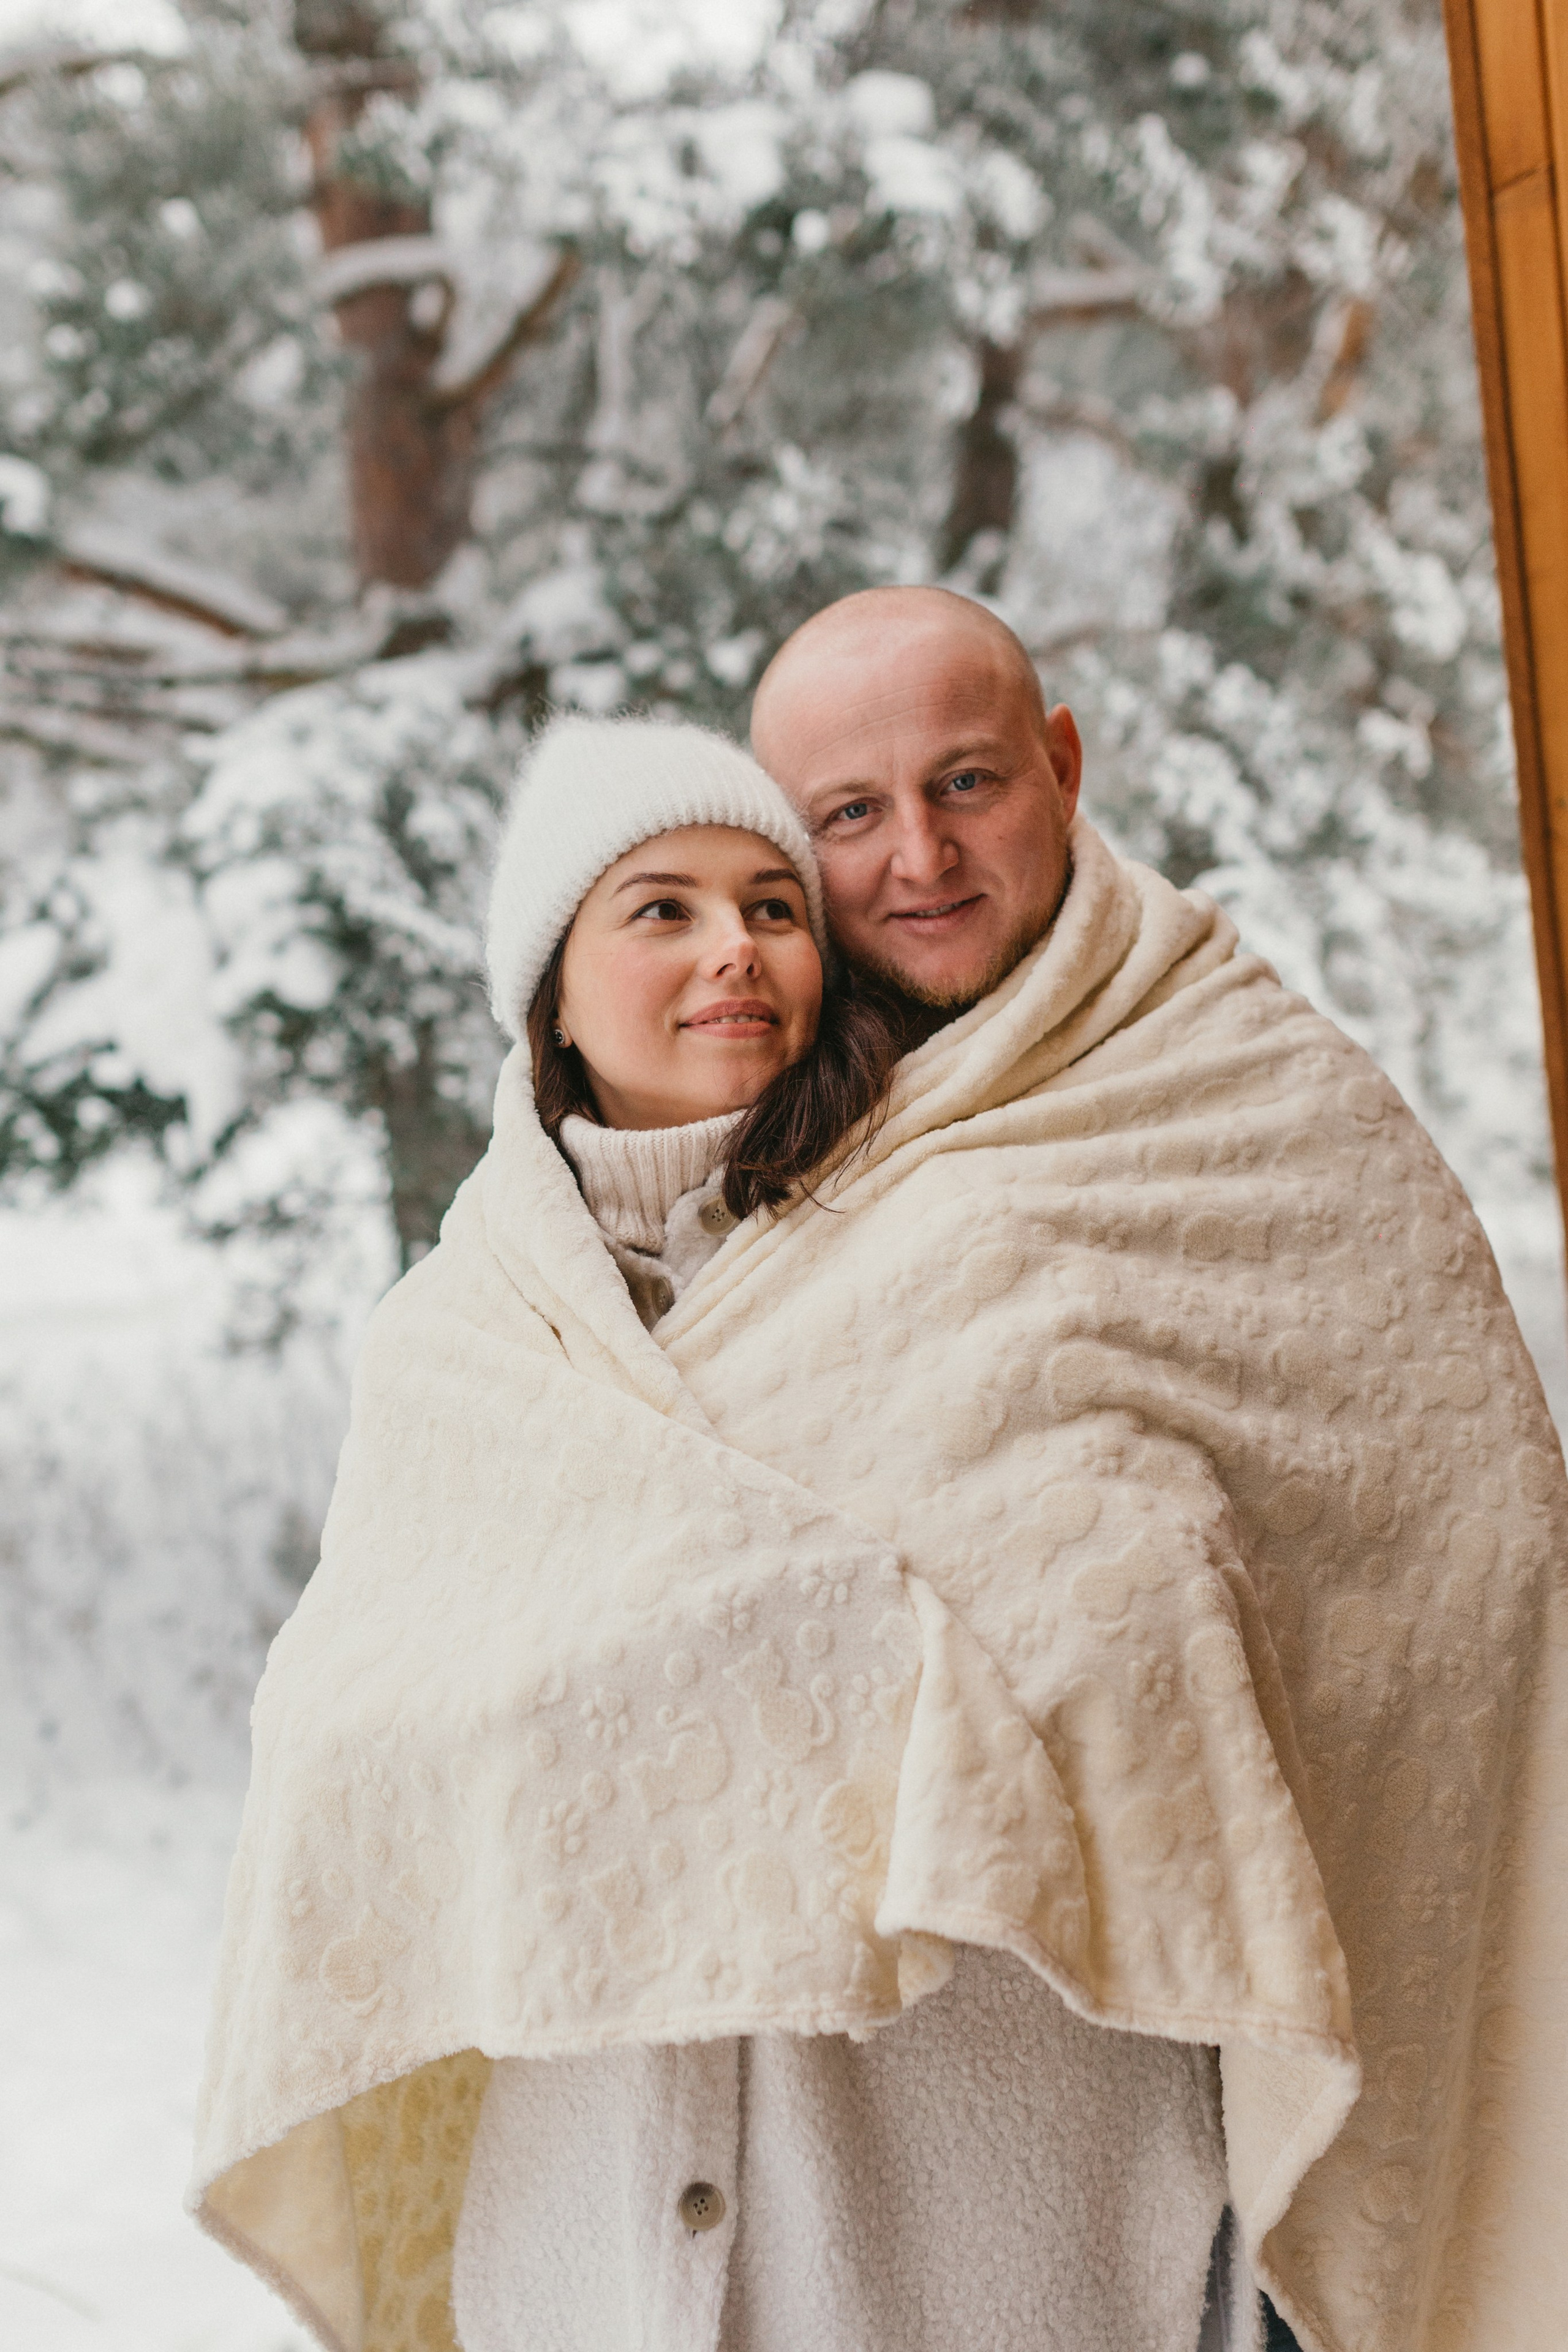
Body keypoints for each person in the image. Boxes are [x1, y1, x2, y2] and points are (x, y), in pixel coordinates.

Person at [192, 615, 1568, 2352]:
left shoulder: (1068, 1160)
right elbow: (361, 1761)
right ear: (546, 975)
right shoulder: (470, 1331)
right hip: (601, 2218)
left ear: (1060, 766)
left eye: (967, 784)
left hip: (1013, 2187)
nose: (910, 858)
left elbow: (1409, 1567)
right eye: (844, 818)